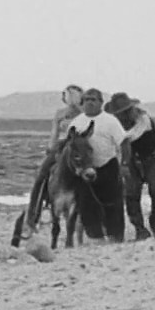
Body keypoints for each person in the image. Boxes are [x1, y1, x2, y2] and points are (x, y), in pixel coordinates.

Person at [64, 87, 128, 242]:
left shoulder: (110, 121)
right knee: (86, 203)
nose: (90, 103)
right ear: (82, 103)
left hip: (107, 165)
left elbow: (124, 143)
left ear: (100, 102)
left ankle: (115, 236)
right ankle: (96, 236)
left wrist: (125, 164)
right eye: (87, 100)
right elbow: (69, 147)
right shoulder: (76, 122)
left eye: (94, 99)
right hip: (85, 168)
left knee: (113, 202)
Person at [107, 92, 155, 240]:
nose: (124, 116)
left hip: (153, 157)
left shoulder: (143, 118)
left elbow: (130, 136)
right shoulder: (116, 124)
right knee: (131, 194)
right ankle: (140, 228)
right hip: (131, 159)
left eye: (126, 111)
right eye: (120, 113)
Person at [25, 85, 83, 231]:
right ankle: (33, 216)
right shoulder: (60, 114)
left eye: (73, 95)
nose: (69, 99)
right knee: (42, 176)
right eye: (68, 95)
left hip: (80, 147)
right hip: (61, 147)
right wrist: (51, 149)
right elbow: (54, 133)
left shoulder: (84, 114)